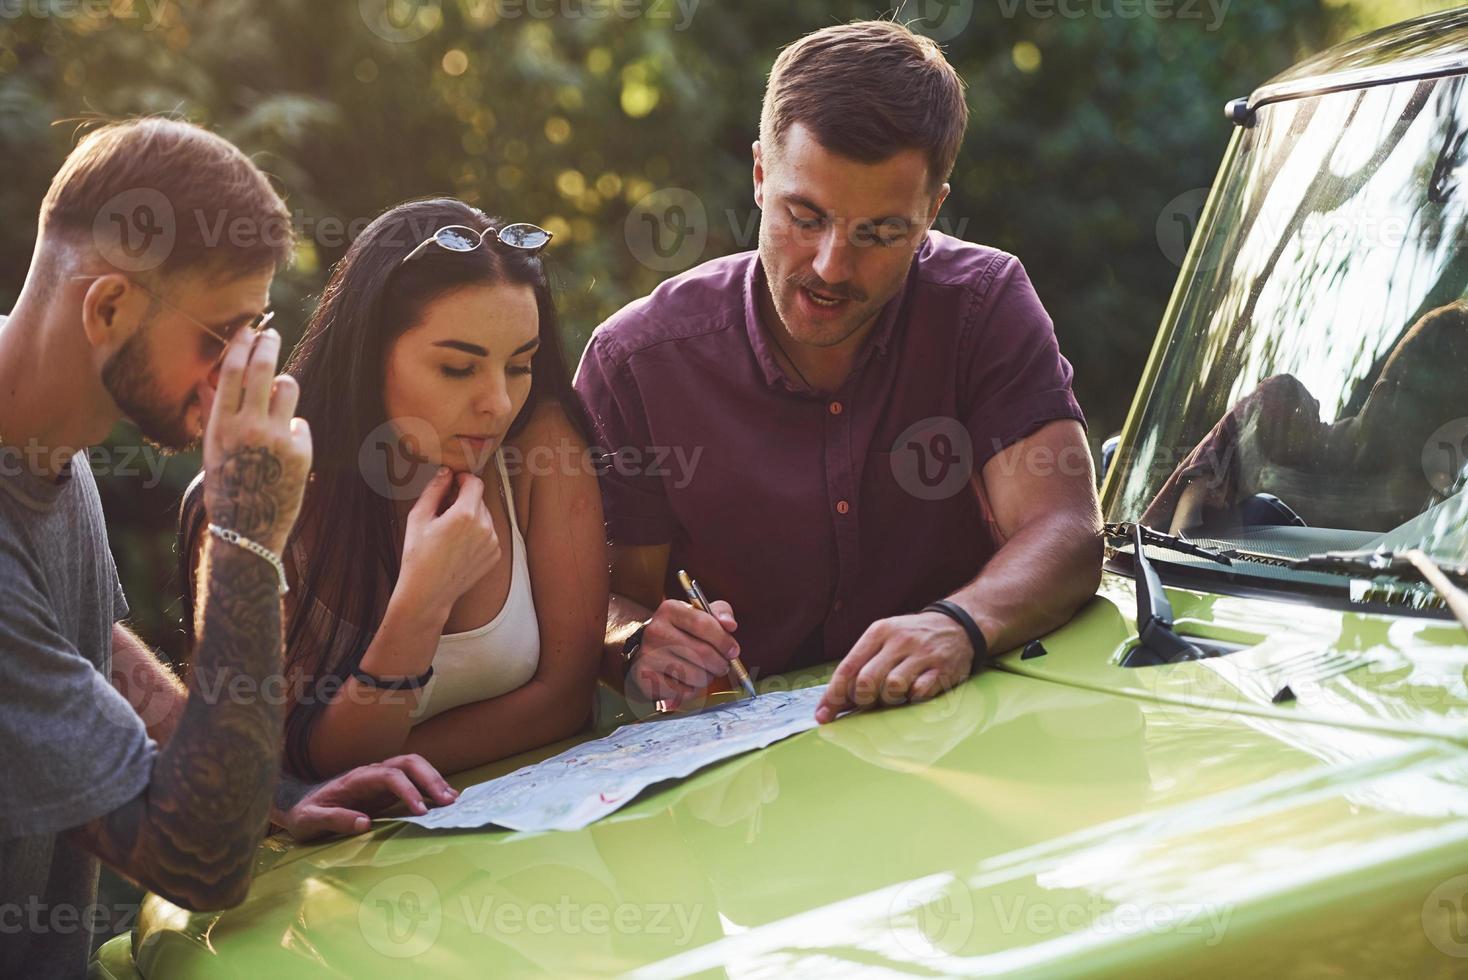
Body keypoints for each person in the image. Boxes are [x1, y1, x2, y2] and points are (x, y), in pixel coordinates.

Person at [0, 118, 454, 979]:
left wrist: (273, 795)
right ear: (106, 308)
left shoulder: (42, 432)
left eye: (255, 331)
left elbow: (78, 649)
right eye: (219, 336)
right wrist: (245, 536)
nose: (236, 371)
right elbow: (199, 864)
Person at [574, 21, 1103, 724]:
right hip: (737, 788)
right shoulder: (636, 364)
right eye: (805, 216)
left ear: (932, 212)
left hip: (957, 739)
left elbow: (1067, 532)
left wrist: (958, 626)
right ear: (761, 176)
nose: (830, 265)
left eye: (880, 233)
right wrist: (634, 640)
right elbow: (594, 606)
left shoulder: (983, 305)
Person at [180, 198, 608, 780]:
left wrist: (381, 764)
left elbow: (567, 697)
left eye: (519, 365)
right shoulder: (264, 493)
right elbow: (278, 760)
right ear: (369, 351)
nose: (499, 404)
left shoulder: (540, 444)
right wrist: (424, 599)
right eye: (458, 369)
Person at [1142, 300, 1468, 533]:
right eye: (1427, 440)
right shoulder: (1282, 421)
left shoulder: (1440, 525)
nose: (1446, 474)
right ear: (1383, 401)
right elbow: (1179, 550)